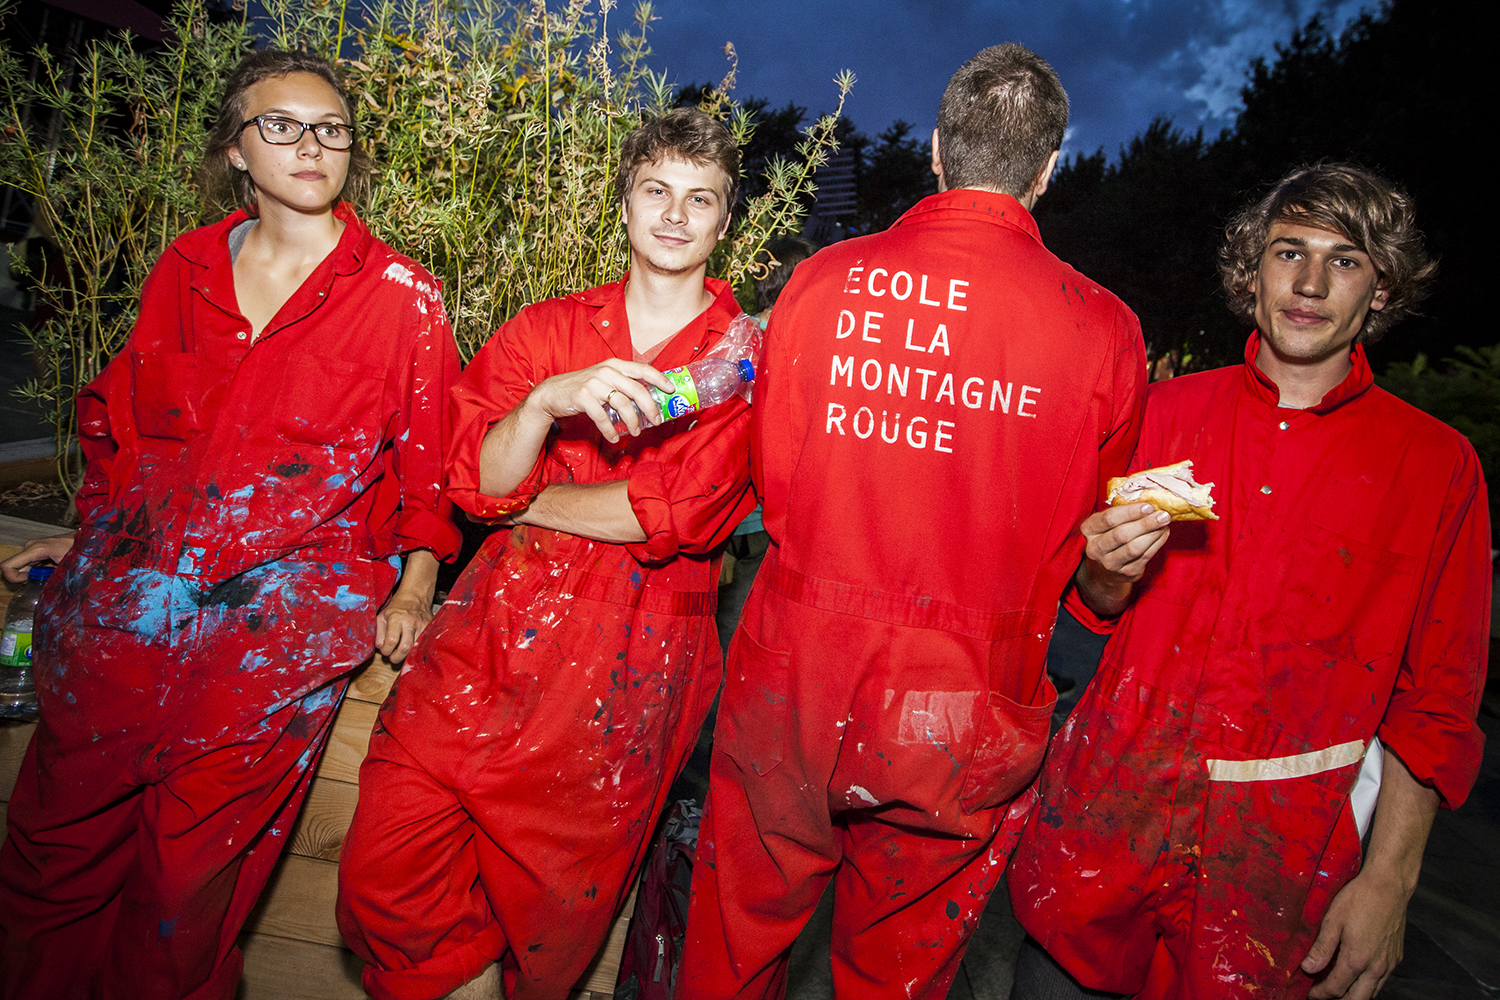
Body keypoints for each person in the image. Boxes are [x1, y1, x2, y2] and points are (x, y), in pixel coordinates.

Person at [678, 43, 1147, 1000]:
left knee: (734, 944)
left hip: (799, 674)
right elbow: (1098, 532)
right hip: (963, 705)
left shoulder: (822, 282)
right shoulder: (1103, 329)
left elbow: (769, 471)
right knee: (900, 972)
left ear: (936, 149)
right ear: (1049, 168)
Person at [0, 50, 460, 999]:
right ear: (237, 151)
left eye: (331, 129)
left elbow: (430, 463)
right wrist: (91, 536)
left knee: (183, 895)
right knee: (50, 865)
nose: (311, 145)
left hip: (270, 646)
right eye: (282, 126)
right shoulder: (186, 266)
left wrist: (416, 583)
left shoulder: (402, 297)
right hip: (120, 626)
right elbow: (125, 424)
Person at [1007, 163, 1491, 1000]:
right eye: (1288, 251)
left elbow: (1438, 701)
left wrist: (1390, 883)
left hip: (1274, 872)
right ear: (1251, 270)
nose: (1308, 283)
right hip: (1102, 829)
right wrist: (1103, 571)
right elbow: (1091, 613)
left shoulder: (1435, 466)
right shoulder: (1160, 415)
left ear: (1380, 289)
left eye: (1344, 261)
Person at [335, 107, 757, 1000]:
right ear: (626, 203)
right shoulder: (547, 331)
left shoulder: (745, 361)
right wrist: (539, 407)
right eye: (656, 191)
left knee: (553, 927)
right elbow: (469, 481)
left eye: (700, 199)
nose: (675, 215)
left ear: (725, 222)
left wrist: (526, 500)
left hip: (625, 676)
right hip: (486, 639)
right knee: (383, 864)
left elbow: (675, 512)